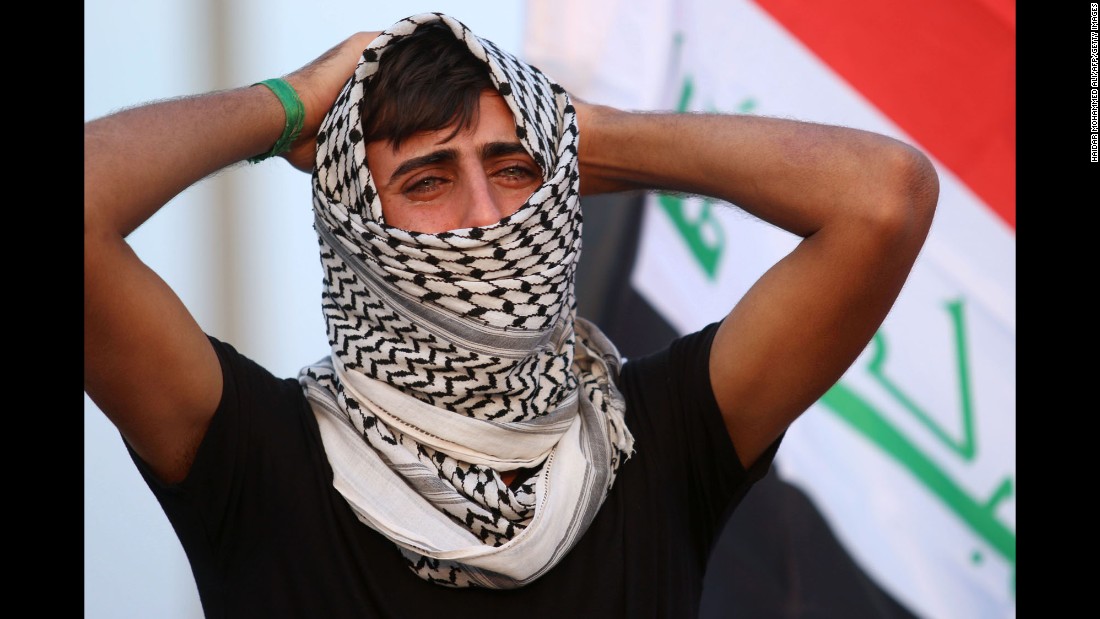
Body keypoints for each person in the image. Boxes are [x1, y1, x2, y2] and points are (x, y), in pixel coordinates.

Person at [84, 13, 937, 618]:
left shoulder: (656, 444)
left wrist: (573, 131)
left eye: (515, 169)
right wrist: (293, 102)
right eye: (427, 181)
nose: (488, 213)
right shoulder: (260, 459)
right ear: (355, 226)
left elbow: (885, 200)